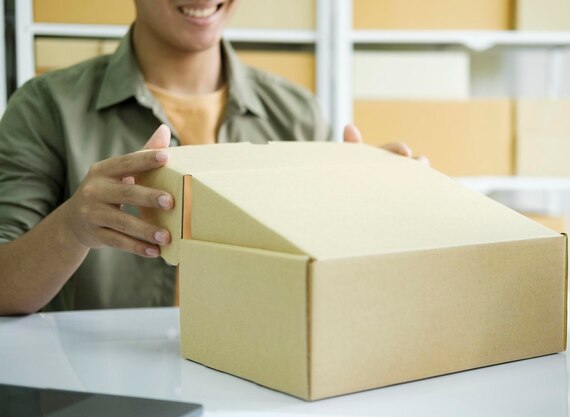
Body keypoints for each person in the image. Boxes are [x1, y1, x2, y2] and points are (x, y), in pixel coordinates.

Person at [0, 0, 414, 315]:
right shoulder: (46, 107)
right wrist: (71, 228)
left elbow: (327, 284)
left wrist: (375, 210)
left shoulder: (298, 115)